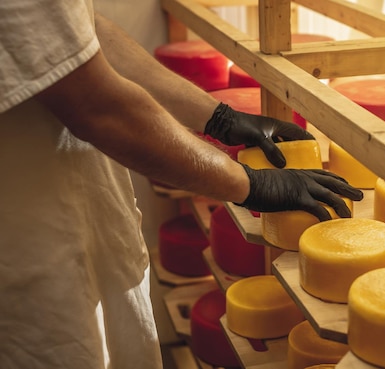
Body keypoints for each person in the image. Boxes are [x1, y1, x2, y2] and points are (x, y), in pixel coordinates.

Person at [0, 1, 363, 368]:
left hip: (62, 221)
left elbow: (85, 32)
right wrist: (249, 183)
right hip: (31, 239)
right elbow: (99, 106)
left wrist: (218, 117)